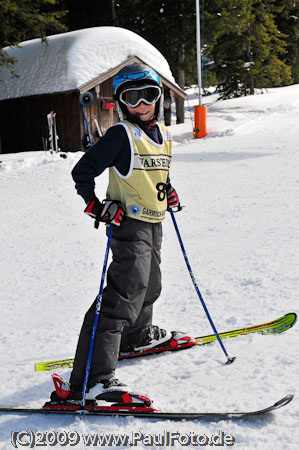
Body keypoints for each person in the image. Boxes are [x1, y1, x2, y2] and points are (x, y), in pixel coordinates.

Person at [51, 63, 196, 406]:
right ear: (121, 102)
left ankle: (136, 336)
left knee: (150, 285)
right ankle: (91, 380)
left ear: (159, 98)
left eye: (150, 95)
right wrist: (96, 205)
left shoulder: (162, 135)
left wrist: (168, 192)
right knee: (120, 298)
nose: (142, 104)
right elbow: (82, 170)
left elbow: (154, 174)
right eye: (133, 98)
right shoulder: (121, 134)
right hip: (130, 225)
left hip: (154, 223)